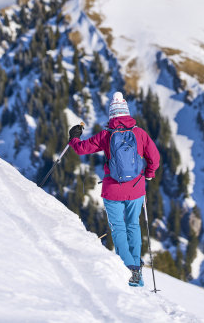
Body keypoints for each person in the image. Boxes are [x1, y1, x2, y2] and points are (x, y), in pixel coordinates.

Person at [68, 91, 160, 287]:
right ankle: (137, 270)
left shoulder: (106, 135)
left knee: (118, 228)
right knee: (133, 225)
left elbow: (81, 149)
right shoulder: (140, 133)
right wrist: (149, 173)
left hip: (112, 191)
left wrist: (74, 138)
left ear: (112, 115)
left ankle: (129, 269)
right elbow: (155, 157)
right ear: (127, 113)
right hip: (136, 188)